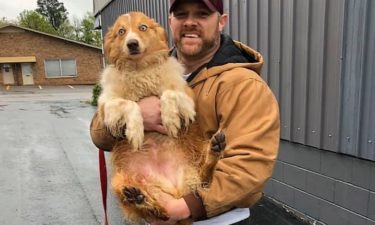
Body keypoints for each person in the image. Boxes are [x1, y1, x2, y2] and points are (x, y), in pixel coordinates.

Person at [90, 0, 280, 224]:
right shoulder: (145, 65)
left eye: (202, 14)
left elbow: (250, 164)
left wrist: (183, 208)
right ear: (170, 22)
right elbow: (99, 135)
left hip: (217, 219)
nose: (190, 22)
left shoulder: (243, 84)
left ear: (222, 21)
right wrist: (137, 115)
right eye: (181, 15)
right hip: (152, 202)